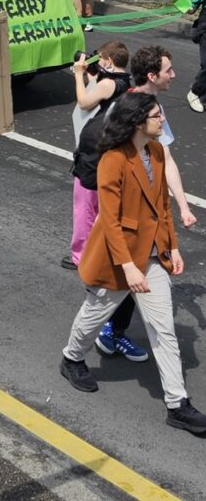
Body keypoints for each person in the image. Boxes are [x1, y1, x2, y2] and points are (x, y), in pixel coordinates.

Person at [60, 93, 206, 437]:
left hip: (151, 255)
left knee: (163, 329)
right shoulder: (113, 159)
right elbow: (110, 221)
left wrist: (171, 248)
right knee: (94, 314)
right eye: (157, 115)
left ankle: (177, 405)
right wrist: (127, 266)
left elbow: (162, 208)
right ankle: (71, 358)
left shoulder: (155, 151)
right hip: (117, 257)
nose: (163, 120)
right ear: (138, 122)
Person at [62, 42, 148, 362]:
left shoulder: (111, 83)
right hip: (110, 164)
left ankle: (86, 263)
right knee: (101, 217)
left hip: (93, 164)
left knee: (86, 215)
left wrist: (78, 74)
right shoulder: (131, 85)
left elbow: (84, 102)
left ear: (109, 61)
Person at [130, 45, 196, 229]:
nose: (173, 75)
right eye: (168, 70)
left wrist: (184, 208)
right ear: (152, 76)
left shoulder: (156, 109)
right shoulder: (124, 109)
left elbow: (165, 157)